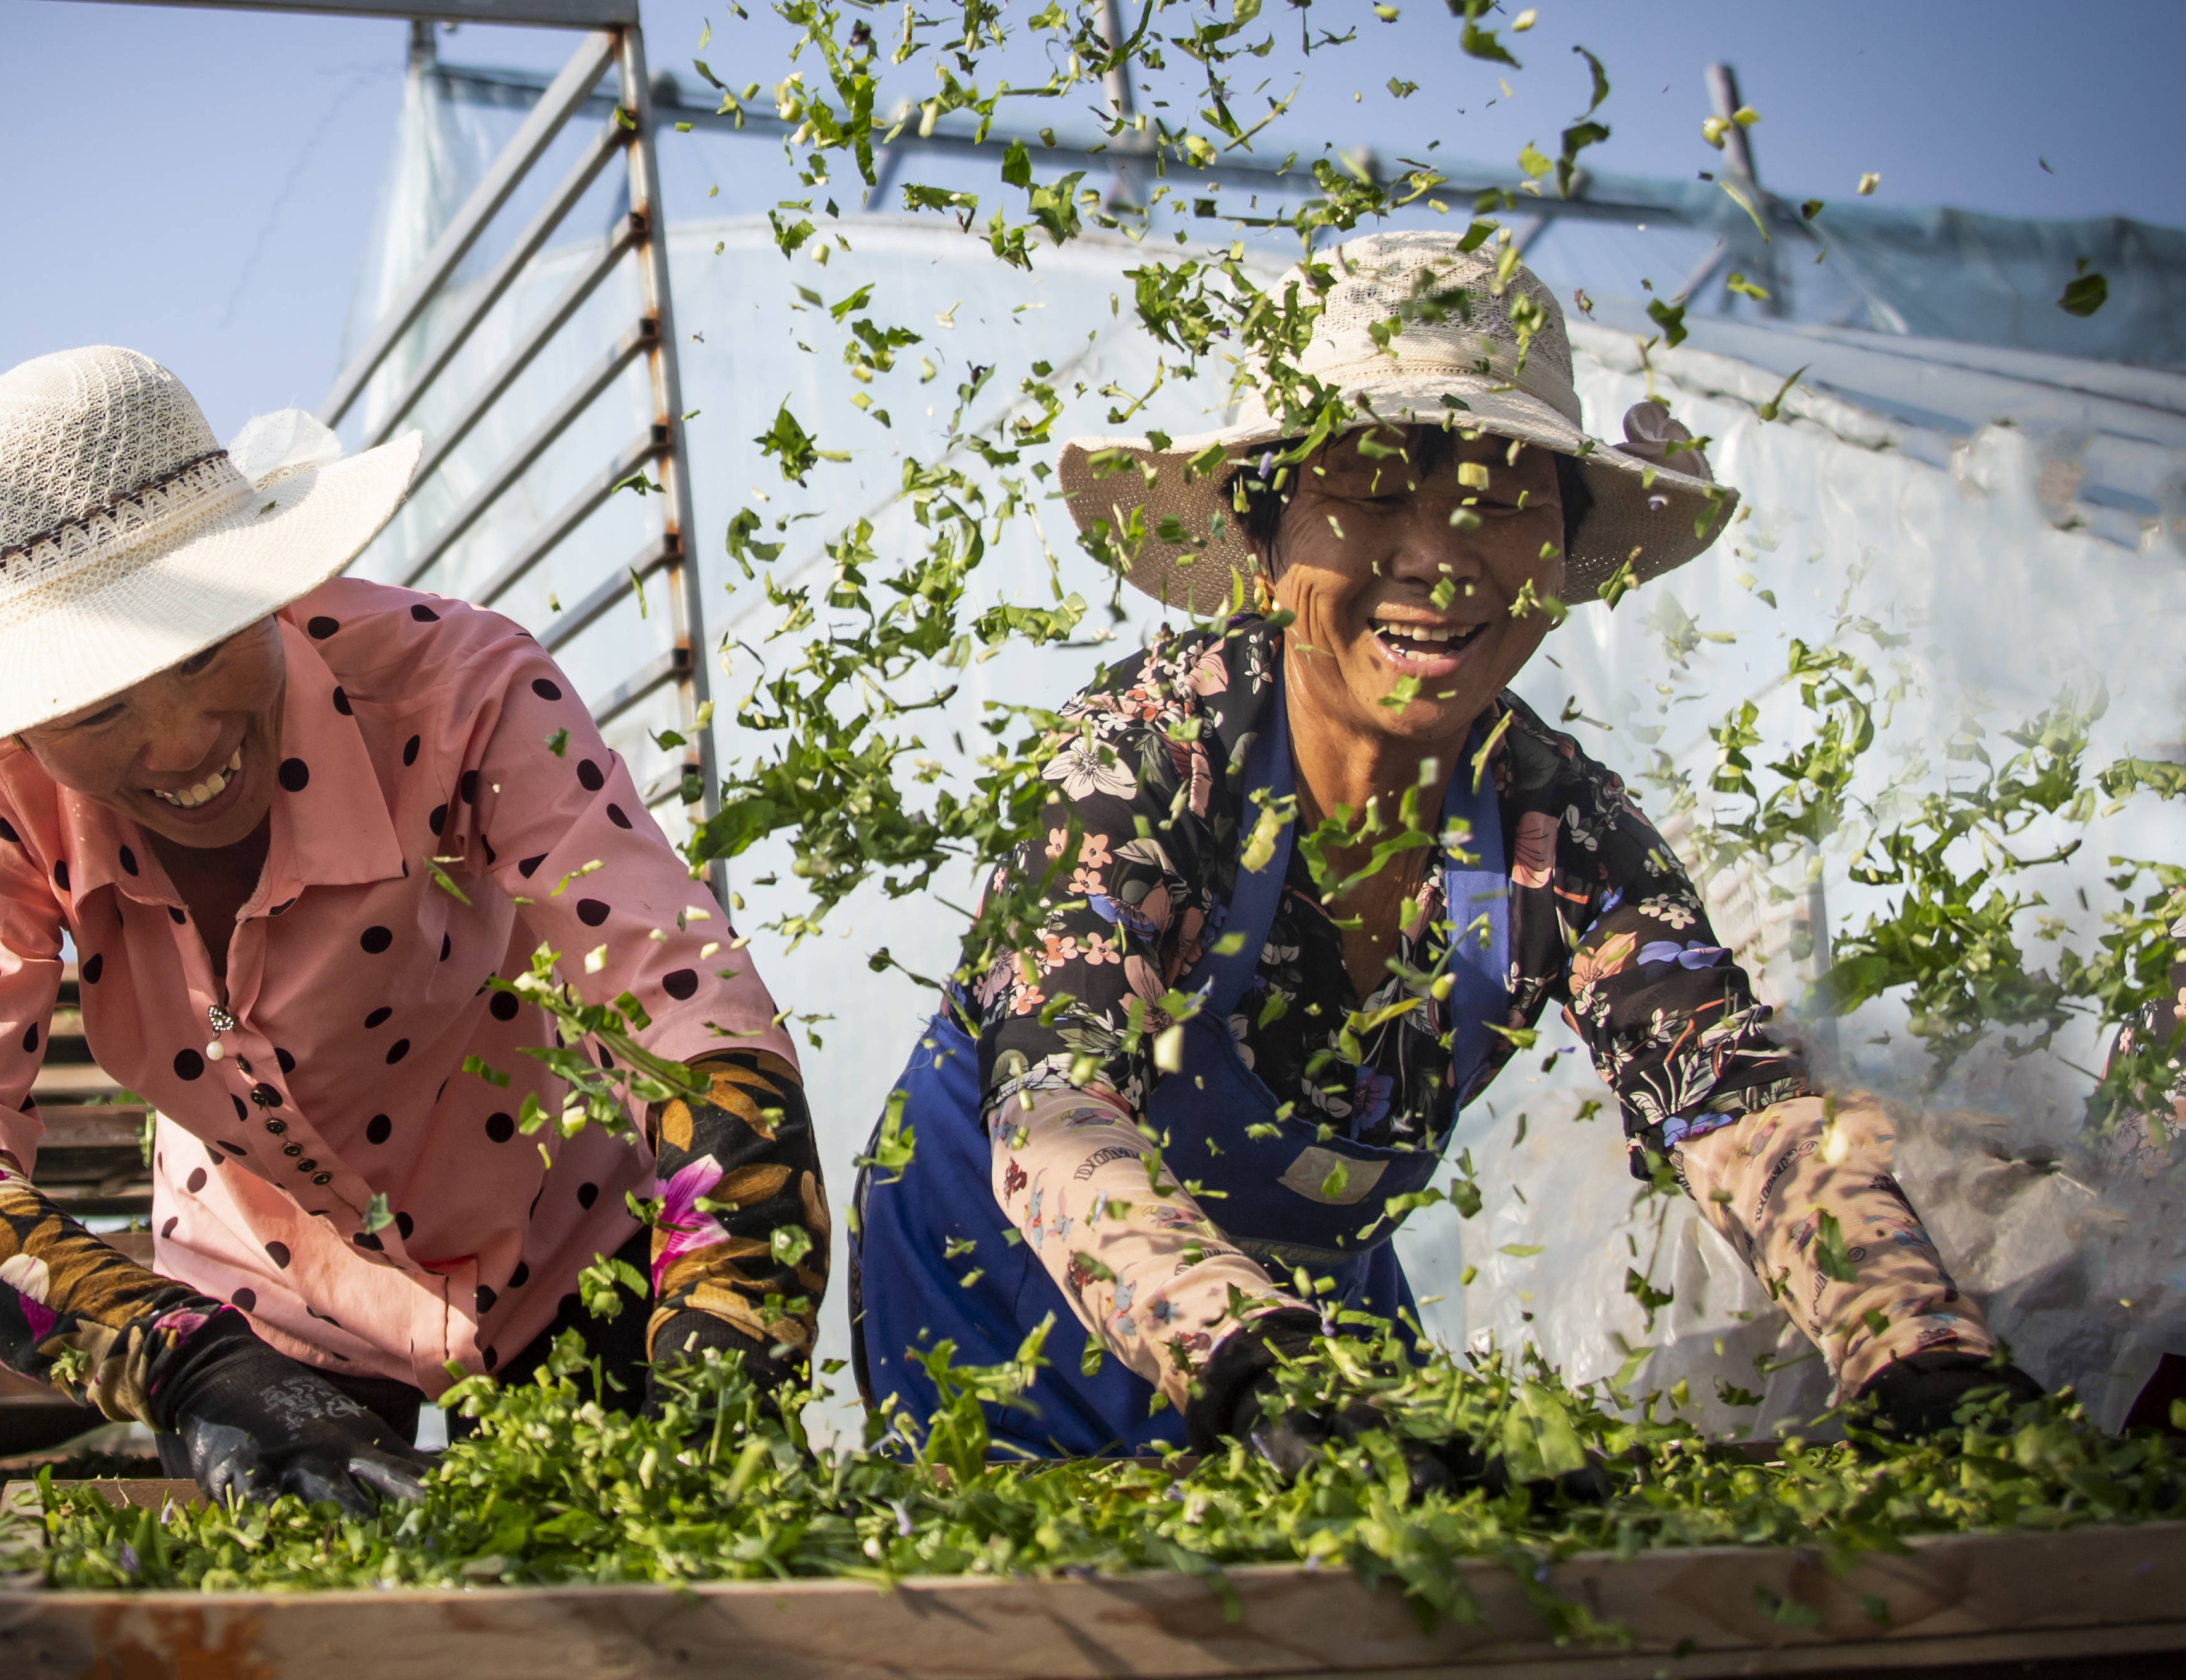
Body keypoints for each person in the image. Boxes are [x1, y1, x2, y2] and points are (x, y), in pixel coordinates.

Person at [851, 232, 2035, 1464]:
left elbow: (1734, 1104)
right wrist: (1257, 1363)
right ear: (1264, 543)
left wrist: (1916, 1346)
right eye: (1368, 488)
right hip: (1008, 1286)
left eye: (1502, 497)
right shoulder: (1148, 759)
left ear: (1556, 559)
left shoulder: (1553, 824)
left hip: (1307, 1298)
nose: (1437, 556)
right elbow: (1054, 1106)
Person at [0, 346, 827, 1507]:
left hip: (573, 1241)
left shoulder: (458, 685)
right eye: (102, 707)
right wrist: (182, 1361)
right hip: (266, 1306)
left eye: (211, 644)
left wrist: (729, 1316)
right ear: (18, 720)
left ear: (267, 589)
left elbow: (683, 1014)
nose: (182, 743)